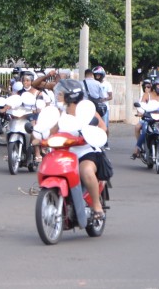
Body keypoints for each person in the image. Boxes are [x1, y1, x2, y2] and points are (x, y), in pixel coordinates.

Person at [47, 79, 108, 220]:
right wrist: (40, 139)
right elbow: (52, 131)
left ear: (69, 97)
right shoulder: (61, 113)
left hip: (86, 152)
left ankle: (96, 205)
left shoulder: (86, 111)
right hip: (64, 154)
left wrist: (88, 134)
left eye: (61, 94)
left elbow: (103, 128)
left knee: (85, 171)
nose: (58, 97)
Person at [92, 66, 113, 148]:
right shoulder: (93, 84)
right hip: (95, 107)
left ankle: (105, 141)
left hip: (105, 108)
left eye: (99, 75)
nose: (97, 77)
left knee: (105, 126)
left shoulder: (107, 84)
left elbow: (110, 96)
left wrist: (104, 99)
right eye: (96, 75)